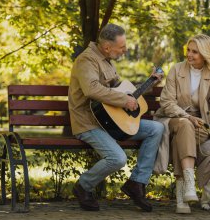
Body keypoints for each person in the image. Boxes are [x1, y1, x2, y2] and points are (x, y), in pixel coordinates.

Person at [68, 23, 164, 212]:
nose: (125, 50)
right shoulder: (86, 60)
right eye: (121, 47)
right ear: (106, 47)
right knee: (117, 158)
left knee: (157, 129)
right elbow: (92, 89)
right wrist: (123, 100)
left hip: (111, 122)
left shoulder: (106, 60)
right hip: (88, 123)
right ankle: (83, 186)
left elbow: (124, 91)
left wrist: (150, 82)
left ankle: (136, 183)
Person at [154, 34, 210, 214]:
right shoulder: (176, 70)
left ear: (205, 54)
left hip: (198, 126)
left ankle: (181, 197)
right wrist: (188, 117)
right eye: (188, 50)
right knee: (184, 125)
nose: (189, 55)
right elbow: (167, 102)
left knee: (184, 139)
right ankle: (189, 186)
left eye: (195, 52)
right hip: (172, 119)